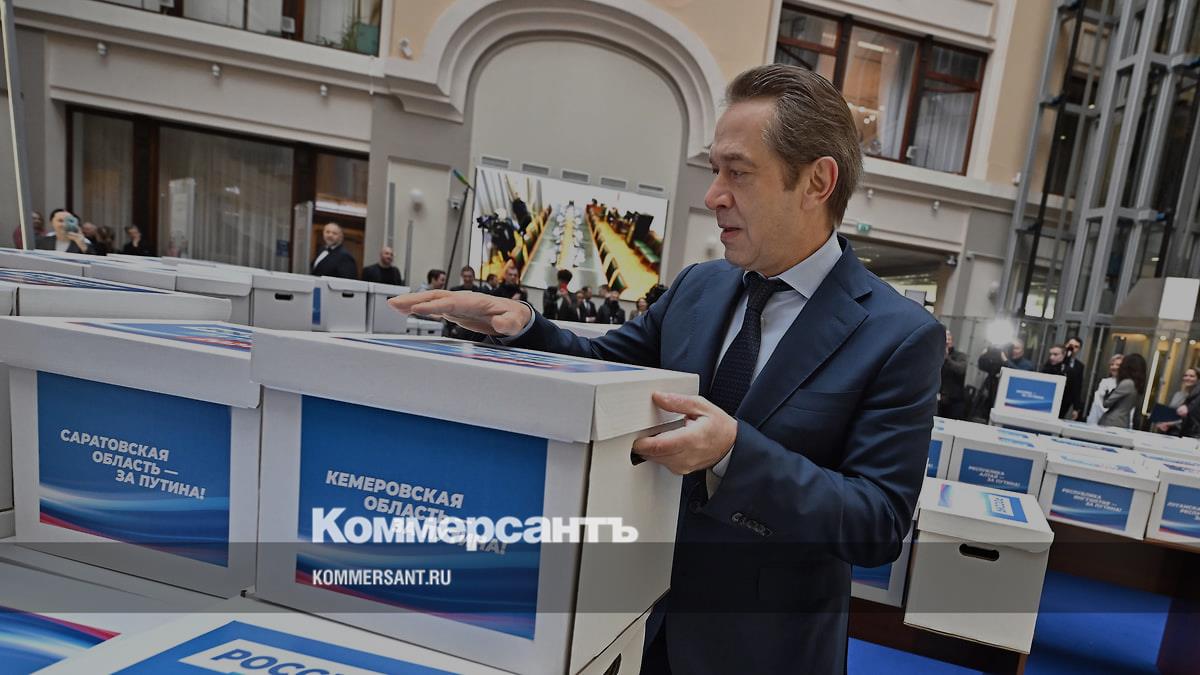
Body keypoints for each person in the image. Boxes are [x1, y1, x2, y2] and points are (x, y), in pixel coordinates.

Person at [390, 64, 943, 674]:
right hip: (634, 625)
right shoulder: (699, 288)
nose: (713, 196)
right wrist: (521, 325)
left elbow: (877, 523)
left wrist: (732, 454)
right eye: (714, 170)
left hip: (762, 653)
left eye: (737, 172)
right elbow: (606, 368)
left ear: (817, 181)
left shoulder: (897, 335)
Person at [1099, 353, 1147, 429]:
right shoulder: (1137, 384)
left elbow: (1106, 403)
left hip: (1112, 421)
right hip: (1124, 421)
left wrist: (1108, 392)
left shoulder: (1127, 383)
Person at [1156, 367, 1198, 434]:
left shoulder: (1197, 398)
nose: (1188, 378)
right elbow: (1171, 411)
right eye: (1185, 375)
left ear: (1198, 379)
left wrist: (1170, 423)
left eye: (1191, 376)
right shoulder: (1178, 394)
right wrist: (1161, 421)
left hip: (1185, 433)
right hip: (1170, 431)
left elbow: (1192, 418)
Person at [1086, 354, 1124, 425]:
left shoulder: (1127, 385)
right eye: (1112, 364)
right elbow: (1098, 404)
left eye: (1118, 365)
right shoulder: (1104, 382)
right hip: (1098, 420)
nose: (1114, 367)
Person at [939, 328, 968, 420]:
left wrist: (946, 358)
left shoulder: (960, 356)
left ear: (951, 340)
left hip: (955, 401)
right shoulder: (935, 356)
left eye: (948, 339)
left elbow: (961, 369)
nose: (946, 342)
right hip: (939, 399)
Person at [1061, 336, 1086, 420]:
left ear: (1079, 349)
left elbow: (1077, 387)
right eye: (1071, 345)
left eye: (1076, 347)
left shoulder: (1079, 366)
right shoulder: (1056, 358)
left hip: (1066, 400)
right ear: (1066, 345)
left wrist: (1076, 408)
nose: (1072, 348)